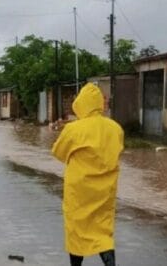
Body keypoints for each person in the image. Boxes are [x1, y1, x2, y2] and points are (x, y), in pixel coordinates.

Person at [52, 83, 124, 266]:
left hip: (79, 194)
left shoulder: (73, 129)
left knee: (77, 233)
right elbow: (117, 152)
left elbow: (58, 153)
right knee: (103, 233)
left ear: (81, 103)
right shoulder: (115, 128)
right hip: (105, 193)